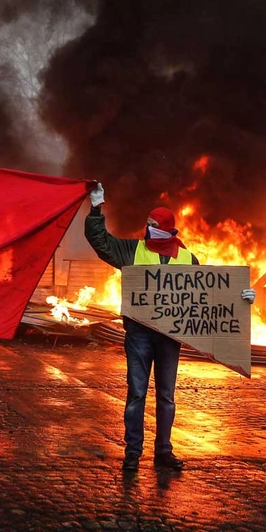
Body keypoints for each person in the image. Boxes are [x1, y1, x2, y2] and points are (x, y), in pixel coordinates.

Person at [84, 183, 255, 471]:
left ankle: (163, 451)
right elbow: (101, 242)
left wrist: (241, 298)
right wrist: (96, 209)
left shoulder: (188, 259)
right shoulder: (132, 250)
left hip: (170, 336)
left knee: (166, 395)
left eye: (154, 225)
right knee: (136, 392)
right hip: (139, 333)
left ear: (167, 229)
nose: (148, 229)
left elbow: (209, 296)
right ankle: (133, 453)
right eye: (147, 224)